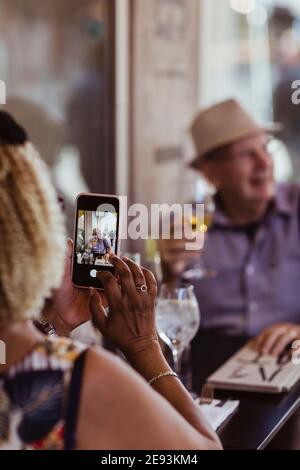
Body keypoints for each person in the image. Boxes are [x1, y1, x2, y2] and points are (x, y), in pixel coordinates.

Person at [0, 111, 221, 450]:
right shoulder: (78, 381)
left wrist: (55, 324)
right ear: (29, 226)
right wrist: (144, 347)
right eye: (50, 205)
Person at [160, 99, 300, 356]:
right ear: (212, 173)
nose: (264, 163)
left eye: (265, 149)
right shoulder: (186, 226)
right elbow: (164, 331)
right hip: (213, 363)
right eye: (247, 154)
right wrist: (169, 274)